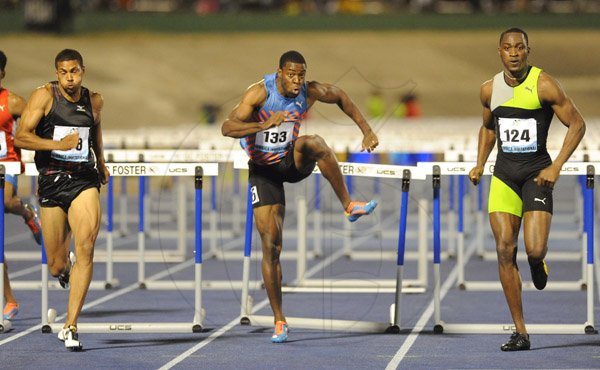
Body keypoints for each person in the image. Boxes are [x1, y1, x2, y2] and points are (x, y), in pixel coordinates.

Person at [221, 50, 379, 343]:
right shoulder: (259, 94)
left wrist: (366, 130)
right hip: (263, 172)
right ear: (279, 72)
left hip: (290, 162)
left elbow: (342, 96)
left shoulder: (310, 91)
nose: (296, 81)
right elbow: (227, 127)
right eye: (291, 75)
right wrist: (261, 125)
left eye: (301, 75)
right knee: (272, 246)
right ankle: (279, 320)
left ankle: (349, 205)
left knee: (314, 143)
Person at [468, 28, 585, 351]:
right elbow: (488, 128)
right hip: (504, 176)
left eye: (520, 47)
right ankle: (521, 331)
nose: (514, 53)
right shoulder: (489, 89)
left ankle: (537, 263)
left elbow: (577, 123)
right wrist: (479, 163)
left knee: (533, 250)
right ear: (500, 52)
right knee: (505, 250)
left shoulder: (544, 84)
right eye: (508, 48)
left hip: (537, 175)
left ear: (528, 51)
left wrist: (556, 165)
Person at [15, 49, 109, 351]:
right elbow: (21, 137)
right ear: (57, 73)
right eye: (64, 72)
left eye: (75, 71)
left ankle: (70, 325)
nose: (70, 78)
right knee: (55, 264)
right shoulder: (44, 96)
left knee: (87, 247)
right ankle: (64, 268)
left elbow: (94, 129)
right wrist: (58, 144)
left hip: (84, 179)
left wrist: (102, 162)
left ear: (83, 70)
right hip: (52, 181)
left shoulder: (94, 100)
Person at [0, 50, 43, 322]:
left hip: (8, 166)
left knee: (5, 202)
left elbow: (38, 126)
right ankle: (10, 299)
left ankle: (27, 212)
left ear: (2, 74)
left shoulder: (13, 102)